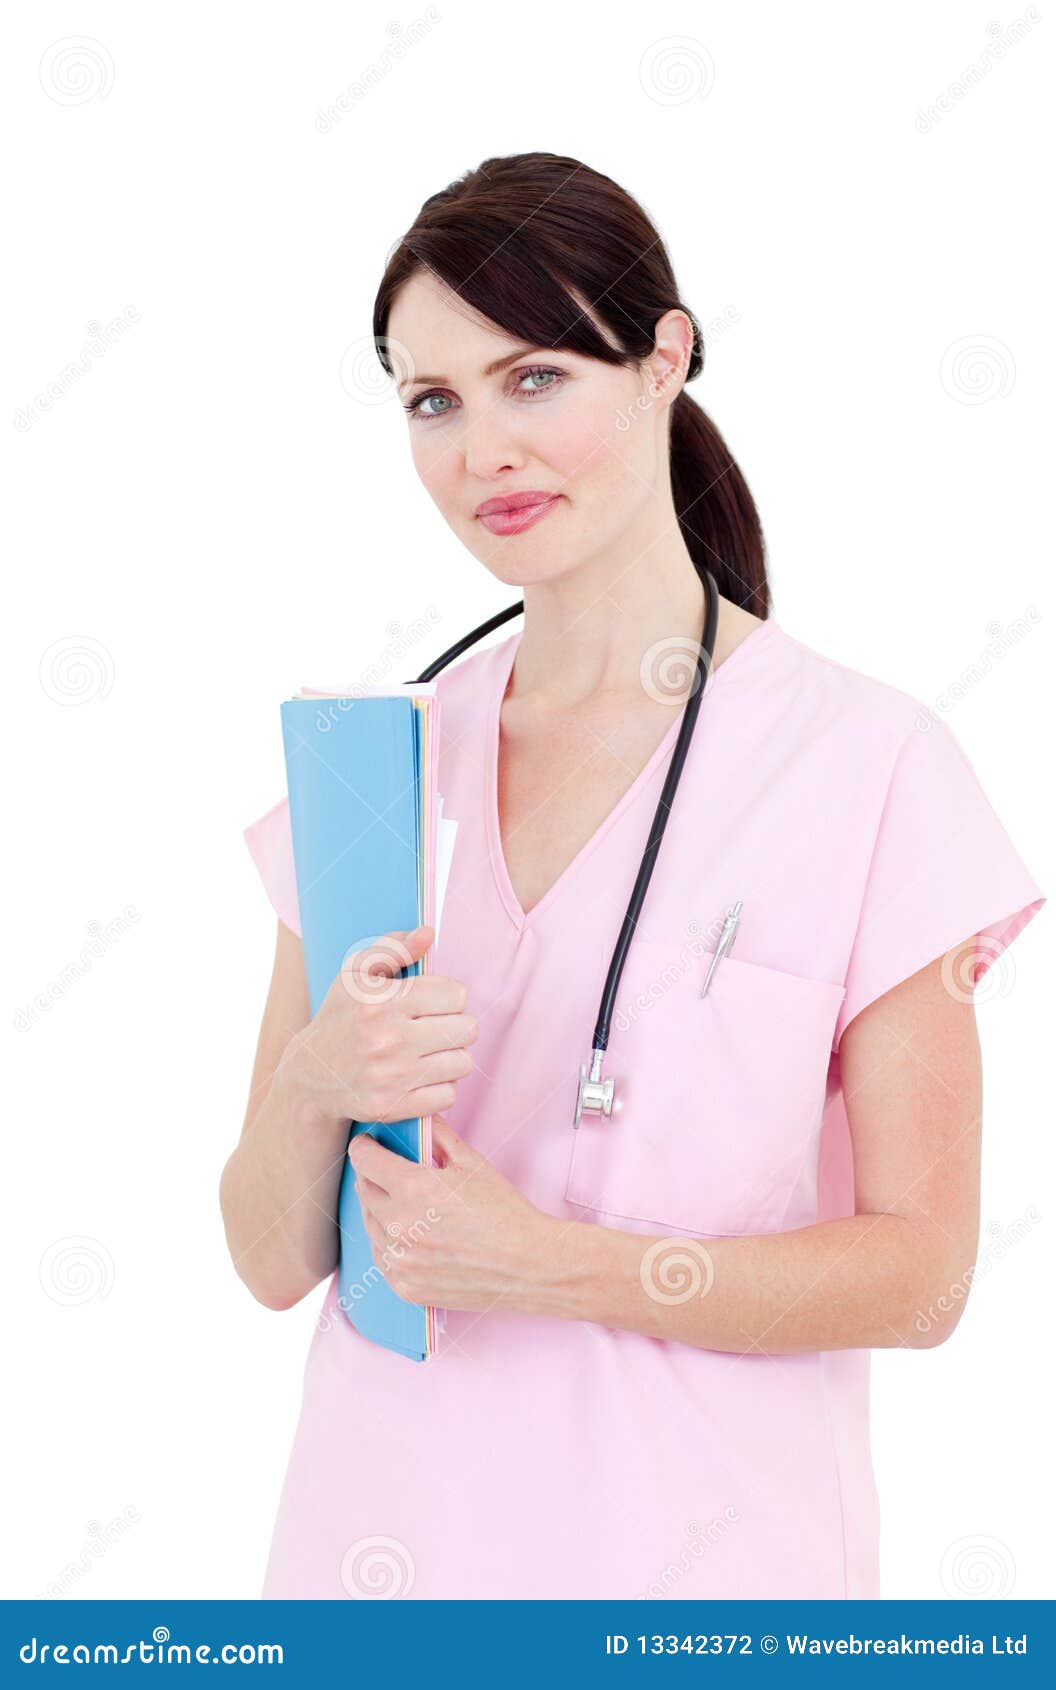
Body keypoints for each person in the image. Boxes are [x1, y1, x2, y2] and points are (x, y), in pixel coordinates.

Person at [220, 152, 1044, 1600]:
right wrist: (313, 1080)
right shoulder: (372, 771)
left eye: (533, 378)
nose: (484, 450)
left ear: (666, 355)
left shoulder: (870, 766)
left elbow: (923, 1275)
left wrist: (552, 1264)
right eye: (434, 402)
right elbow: (267, 1252)